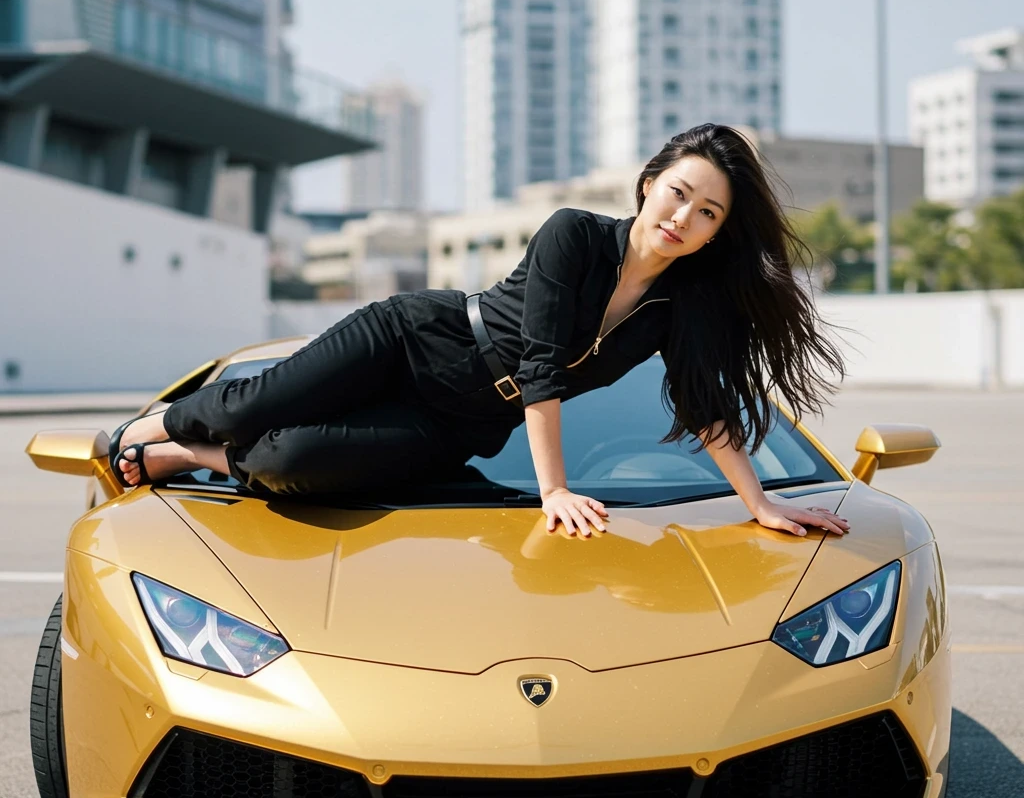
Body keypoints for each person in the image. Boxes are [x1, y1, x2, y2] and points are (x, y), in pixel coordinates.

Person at [110, 124, 850, 540]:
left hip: (456, 421)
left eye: (708, 214)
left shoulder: (677, 307)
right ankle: (151, 430)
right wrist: (553, 489)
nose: (682, 219)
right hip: (413, 341)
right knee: (249, 406)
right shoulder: (573, 235)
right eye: (679, 194)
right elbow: (541, 365)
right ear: (649, 183)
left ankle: (188, 453)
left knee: (291, 461)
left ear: (717, 233)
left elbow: (705, 403)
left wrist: (761, 503)